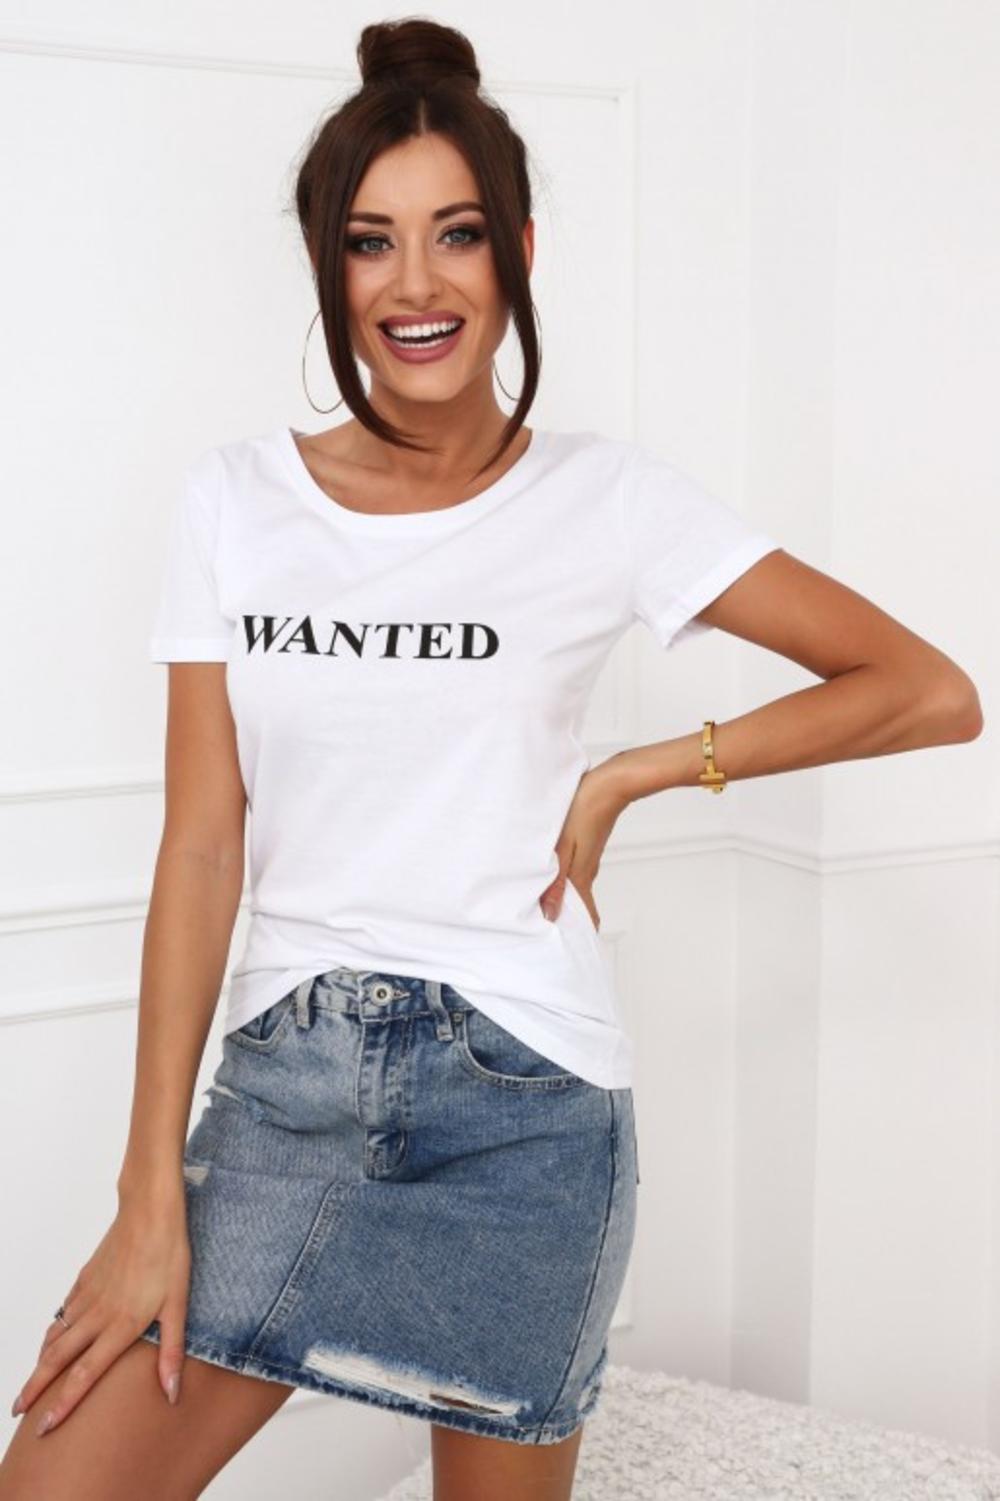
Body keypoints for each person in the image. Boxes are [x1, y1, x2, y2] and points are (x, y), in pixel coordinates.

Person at [0, 16, 982, 1501]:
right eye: (371, 242)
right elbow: (201, 844)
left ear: (517, 251)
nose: (416, 284)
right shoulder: (234, 502)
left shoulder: (610, 501)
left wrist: (642, 769)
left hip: (526, 1118)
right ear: (327, 267)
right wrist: (150, 1193)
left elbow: (926, 690)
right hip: (285, 1100)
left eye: (456, 235)